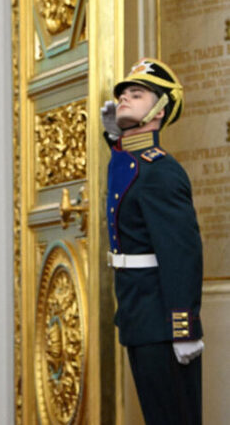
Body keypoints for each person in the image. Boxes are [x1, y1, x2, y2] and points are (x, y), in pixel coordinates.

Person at [101, 58, 203, 425]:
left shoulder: (161, 171)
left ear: (159, 110)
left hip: (162, 320)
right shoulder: (134, 162)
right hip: (139, 316)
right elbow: (124, 172)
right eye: (123, 94)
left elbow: (182, 254)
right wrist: (114, 137)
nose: (124, 99)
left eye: (137, 94)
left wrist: (184, 326)